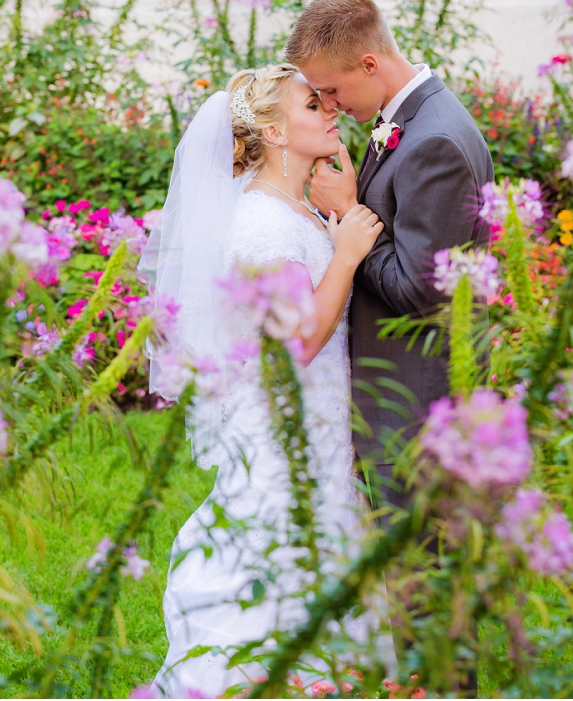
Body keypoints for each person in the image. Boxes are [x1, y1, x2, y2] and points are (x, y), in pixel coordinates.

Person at [140, 64, 391, 699]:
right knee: (276, 592)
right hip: (287, 437)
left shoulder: (295, 209)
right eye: (313, 104)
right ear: (275, 132)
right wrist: (348, 255)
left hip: (322, 429)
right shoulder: (259, 223)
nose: (330, 109)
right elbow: (296, 343)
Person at [285, 0, 494, 689]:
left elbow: (419, 293)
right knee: (416, 594)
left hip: (420, 413)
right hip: (402, 403)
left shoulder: (435, 140)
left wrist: (350, 214)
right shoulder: (412, 123)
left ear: (370, 62)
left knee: (431, 599)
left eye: (334, 88)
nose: (332, 104)